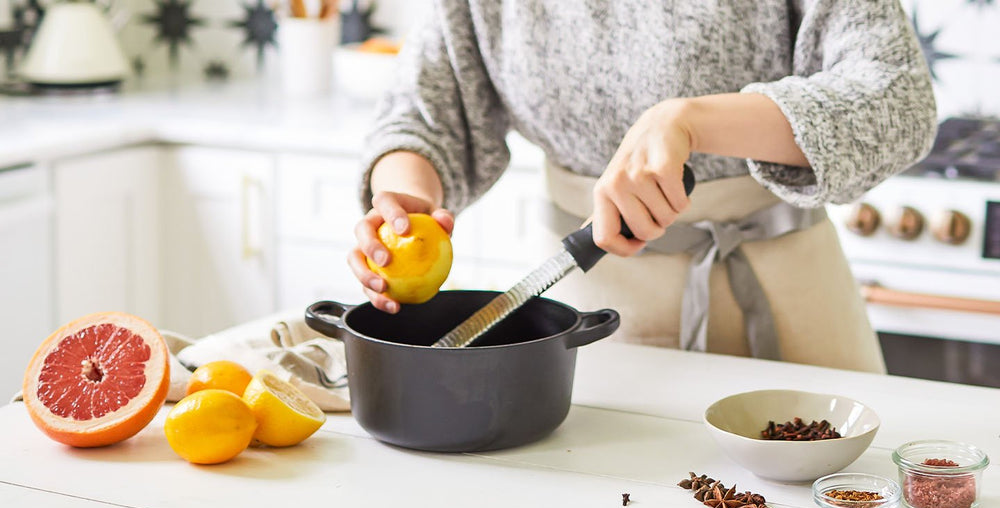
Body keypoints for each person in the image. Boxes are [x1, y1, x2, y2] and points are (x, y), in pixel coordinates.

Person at [347, 1, 937, 373]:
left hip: (788, 305)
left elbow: (898, 98)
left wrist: (692, 120)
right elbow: (422, 117)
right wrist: (404, 197)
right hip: (586, 317)